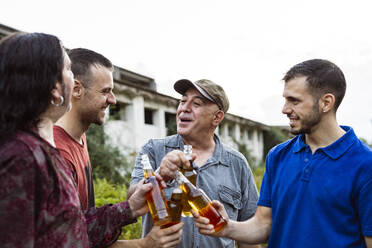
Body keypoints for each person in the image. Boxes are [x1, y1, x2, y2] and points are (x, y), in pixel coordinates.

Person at [193, 59, 372, 248]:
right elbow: (263, 224)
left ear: (326, 103)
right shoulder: (278, 156)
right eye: (285, 99)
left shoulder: (365, 165)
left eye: (294, 101)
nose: (285, 109)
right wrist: (227, 227)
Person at [0, 32, 151, 248]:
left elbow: (70, 228)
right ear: (54, 87)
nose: (73, 77)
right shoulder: (21, 159)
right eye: (68, 69)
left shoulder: (39, 150)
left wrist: (130, 208)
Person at [54, 48, 183, 248]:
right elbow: (66, 239)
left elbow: (84, 228)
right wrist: (144, 244)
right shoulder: (58, 153)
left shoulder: (79, 138)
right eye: (105, 91)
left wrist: (129, 208)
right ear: (77, 89)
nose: (113, 100)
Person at [130, 79, 260, 248]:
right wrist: (159, 175)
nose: (184, 108)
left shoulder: (236, 163)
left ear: (217, 117)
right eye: (183, 101)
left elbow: (249, 234)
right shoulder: (153, 150)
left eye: (196, 103)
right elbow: (131, 203)